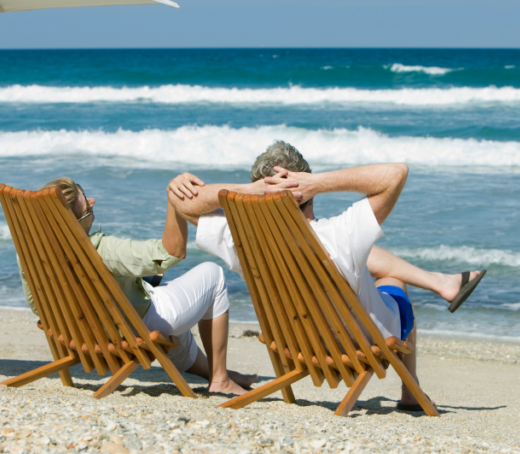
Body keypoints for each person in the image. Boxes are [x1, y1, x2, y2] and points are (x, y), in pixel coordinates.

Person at [166, 141, 486, 410]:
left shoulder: (240, 239)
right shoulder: (341, 233)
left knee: (364, 259)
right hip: (360, 343)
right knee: (391, 283)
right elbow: (395, 172)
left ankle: (441, 282)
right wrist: (318, 181)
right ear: (305, 186)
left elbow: (183, 204)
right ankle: (410, 389)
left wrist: (248, 191)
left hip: (295, 345)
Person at [18, 176, 256, 396]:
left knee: (174, 314)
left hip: (86, 332)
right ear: (72, 225)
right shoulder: (101, 251)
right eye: (87, 208)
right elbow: (168, 255)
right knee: (212, 275)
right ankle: (220, 380)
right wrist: (174, 203)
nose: (93, 201)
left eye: (86, 195)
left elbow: (37, 307)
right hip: (129, 328)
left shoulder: (29, 253)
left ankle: (218, 373)